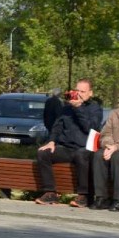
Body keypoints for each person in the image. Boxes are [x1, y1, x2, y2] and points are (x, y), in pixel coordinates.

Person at [34, 78, 101, 208]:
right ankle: (50, 192)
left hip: (85, 148)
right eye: (77, 90)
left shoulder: (95, 108)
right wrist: (51, 141)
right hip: (67, 148)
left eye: (83, 91)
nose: (79, 94)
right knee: (43, 153)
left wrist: (79, 108)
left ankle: (84, 195)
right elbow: (57, 126)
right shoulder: (67, 107)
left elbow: (90, 128)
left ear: (90, 93)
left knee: (81, 155)